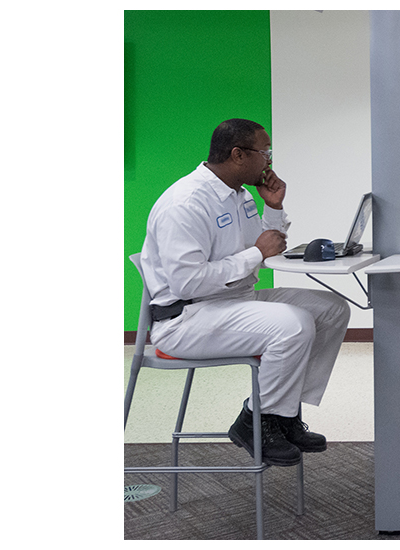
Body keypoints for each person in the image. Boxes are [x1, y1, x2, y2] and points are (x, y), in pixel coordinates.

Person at [139, 118, 350, 466]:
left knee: (331, 308)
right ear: (238, 154)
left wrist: (274, 207)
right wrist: (255, 253)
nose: (269, 160)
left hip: (231, 301)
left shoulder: (240, 196)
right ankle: (256, 419)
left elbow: (270, 249)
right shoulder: (186, 203)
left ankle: (282, 416)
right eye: (264, 152)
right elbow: (187, 282)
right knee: (293, 325)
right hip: (185, 318)